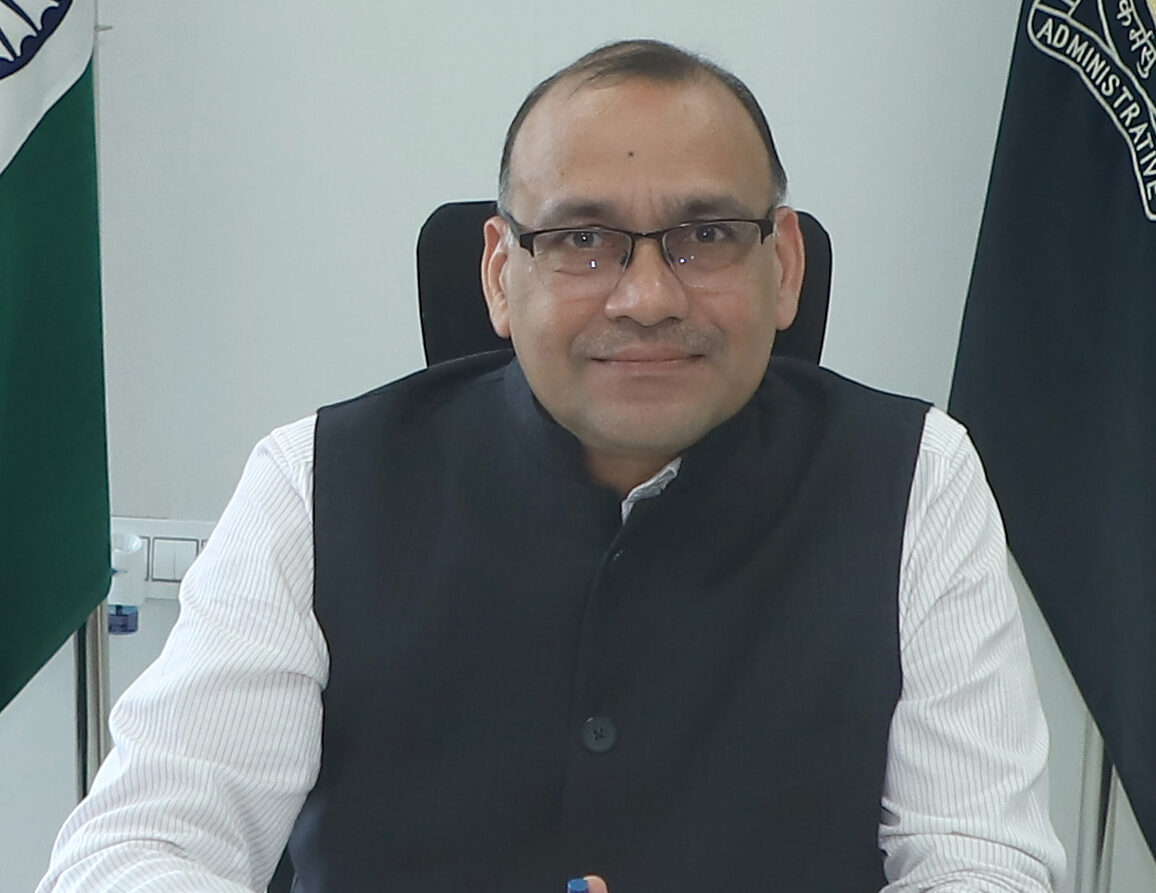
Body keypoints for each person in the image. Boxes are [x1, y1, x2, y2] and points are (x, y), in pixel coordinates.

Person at [38, 39, 1065, 892]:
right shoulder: (312, 481)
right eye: (583, 239)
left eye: (705, 234)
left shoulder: (918, 479)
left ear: (783, 265)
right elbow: (134, 850)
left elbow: (982, 863)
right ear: (499, 273)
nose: (647, 297)